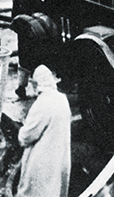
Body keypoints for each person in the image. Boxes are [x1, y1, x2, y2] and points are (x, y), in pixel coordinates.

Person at [16, 65, 72, 197]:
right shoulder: (62, 100)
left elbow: (26, 136)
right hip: (59, 159)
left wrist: (22, 130)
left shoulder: (42, 104)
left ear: (36, 84)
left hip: (41, 162)